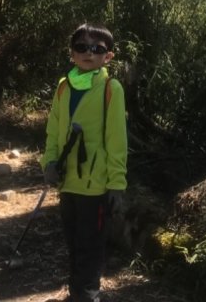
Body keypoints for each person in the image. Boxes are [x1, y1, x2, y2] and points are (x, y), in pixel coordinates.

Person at [41, 23, 127, 302]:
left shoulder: (111, 89)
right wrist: (50, 162)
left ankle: (87, 294)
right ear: (72, 53)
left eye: (97, 48)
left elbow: (117, 140)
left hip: (96, 184)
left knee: (91, 245)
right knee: (74, 242)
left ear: (108, 56)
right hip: (68, 181)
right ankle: (77, 291)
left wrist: (116, 184)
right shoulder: (64, 86)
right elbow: (54, 128)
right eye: (81, 47)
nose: (88, 53)